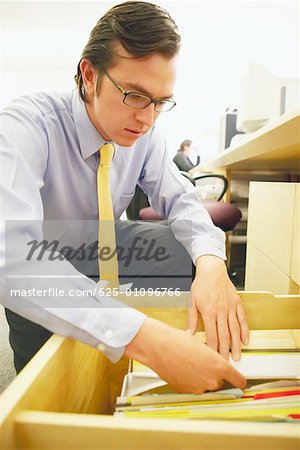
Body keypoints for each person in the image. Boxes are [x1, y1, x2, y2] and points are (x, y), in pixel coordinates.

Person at [0, 1, 248, 393]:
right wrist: (146, 340)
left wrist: (212, 264)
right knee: (45, 383)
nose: (147, 118)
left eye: (160, 102)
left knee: (195, 250)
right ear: (88, 74)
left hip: (102, 247)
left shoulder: (145, 132)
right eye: (135, 95)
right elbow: (8, 253)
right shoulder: (26, 125)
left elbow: (181, 199)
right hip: (41, 258)